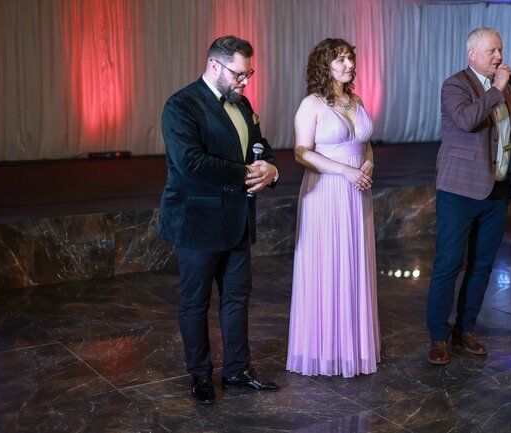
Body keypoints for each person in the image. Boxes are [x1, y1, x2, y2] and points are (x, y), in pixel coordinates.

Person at [158, 35, 280, 404]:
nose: (245, 82)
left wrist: (270, 168)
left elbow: (260, 144)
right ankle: (200, 375)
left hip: (237, 219)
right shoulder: (181, 105)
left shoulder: (242, 103)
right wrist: (245, 173)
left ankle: (237, 371)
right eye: (239, 74)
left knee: (237, 298)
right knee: (196, 302)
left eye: (249, 74)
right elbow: (190, 162)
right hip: (197, 221)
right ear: (215, 65)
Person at [286, 38, 380, 378]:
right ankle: (324, 350)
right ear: (323, 66)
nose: (348, 65)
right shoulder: (311, 104)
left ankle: (355, 348)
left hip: (358, 192)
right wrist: (345, 171)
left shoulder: (357, 100)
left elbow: (365, 145)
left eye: (350, 59)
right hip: (326, 192)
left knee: (355, 263)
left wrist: (367, 167)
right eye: (340, 60)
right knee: (328, 264)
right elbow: (301, 152)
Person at [426, 27, 511, 365]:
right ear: (472, 54)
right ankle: (438, 336)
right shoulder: (455, 85)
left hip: (497, 187)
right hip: (459, 189)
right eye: (492, 50)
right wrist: (497, 88)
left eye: (500, 49)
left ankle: (465, 328)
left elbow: (507, 130)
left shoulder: (507, 87)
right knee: (449, 264)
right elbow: (467, 120)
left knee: (482, 265)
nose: (499, 56)